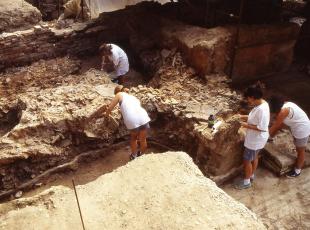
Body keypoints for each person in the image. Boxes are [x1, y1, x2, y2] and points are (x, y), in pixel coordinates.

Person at [234, 84, 270, 190]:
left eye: (248, 98)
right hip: (257, 139)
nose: (248, 100)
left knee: (247, 160)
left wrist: (245, 125)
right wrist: (242, 117)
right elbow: (253, 117)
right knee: (254, 157)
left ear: (253, 97)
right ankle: (251, 175)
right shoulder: (261, 103)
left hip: (256, 139)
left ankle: (246, 182)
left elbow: (262, 127)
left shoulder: (262, 110)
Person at [104, 85, 150, 160]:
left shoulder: (119, 94)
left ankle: (134, 155)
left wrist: (106, 115)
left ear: (117, 92)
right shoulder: (133, 97)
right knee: (143, 139)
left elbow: (110, 108)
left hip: (132, 118)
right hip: (143, 117)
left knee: (134, 138)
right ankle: (141, 154)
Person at [269, 96, 310, 178]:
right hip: (297, 127)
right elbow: (280, 125)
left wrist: (264, 137)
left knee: (300, 150)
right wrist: (270, 137)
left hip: (302, 129)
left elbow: (276, 125)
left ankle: (297, 170)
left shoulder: (284, 111)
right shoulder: (287, 105)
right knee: (298, 145)